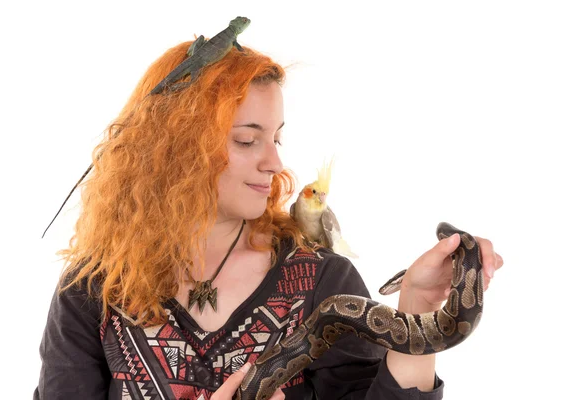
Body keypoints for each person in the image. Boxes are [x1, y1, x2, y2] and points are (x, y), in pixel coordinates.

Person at [34, 30, 503, 400]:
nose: (275, 164)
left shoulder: (322, 281)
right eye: (246, 139)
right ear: (173, 149)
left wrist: (418, 308)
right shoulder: (93, 288)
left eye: (276, 138)